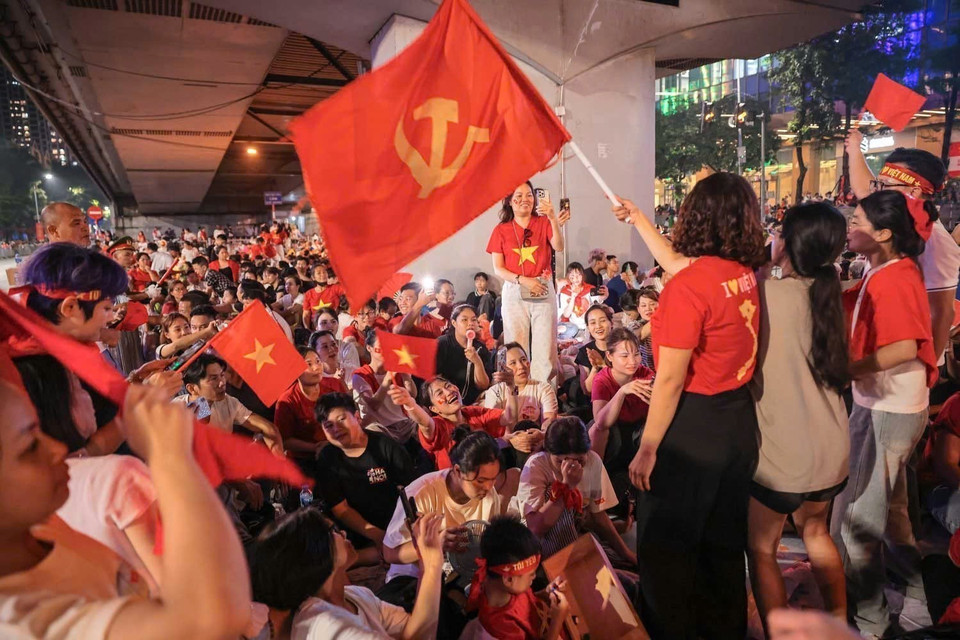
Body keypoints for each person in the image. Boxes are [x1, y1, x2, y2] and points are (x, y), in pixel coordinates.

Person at [614, 172, 766, 640]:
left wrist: (648, 447)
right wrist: (638, 219)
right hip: (736, 423)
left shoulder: (686, 290)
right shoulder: (740, 273)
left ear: (696, 216)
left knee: (666, 554)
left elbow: (671, 378)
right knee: (723, 547)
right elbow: (681, 264)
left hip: (692, 431)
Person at [0, 381, 253, 639]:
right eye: (31, 445)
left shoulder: (39, 529)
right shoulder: (22, 621)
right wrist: (169, 454)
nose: (57, 449)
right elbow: (211, 617)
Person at [831, 190, 938, 637]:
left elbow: (902, 347)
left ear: (885, 234)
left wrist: (849, 370)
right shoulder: (888, 268)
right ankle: (919, 598)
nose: (849, 226)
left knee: (855, 524)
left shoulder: (894, 278)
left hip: (885, 410)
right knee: (892, 513)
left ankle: (871, 622)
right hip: (894, 406)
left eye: (856, 221)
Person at [747, 202, 851, 631]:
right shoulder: (830, 294)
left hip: (780, 457)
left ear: (786, 242)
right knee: (816, 533)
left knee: (762, 547)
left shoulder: (767, 293)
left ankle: (779, 631)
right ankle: (841, 622)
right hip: (830, 448)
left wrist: (768, 262)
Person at [847, 133, 960, 366]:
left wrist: (927, 371)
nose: (877, 191)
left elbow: (943, 313)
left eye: (885, 185)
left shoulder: (936, 242)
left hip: (904, 370)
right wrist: (855, 150)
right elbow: (863, 190)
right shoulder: (897, 221)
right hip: (875, 358)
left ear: (914, 191)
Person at [251, 508, 445, 640]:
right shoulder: (321, 624)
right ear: (314, 552)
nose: (343, 533)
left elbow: (418, 632)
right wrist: (431, 564)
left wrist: (428, 564)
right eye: (332, 530)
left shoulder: (358, 596)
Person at [382, 430, 502, 590]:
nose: (488, 487)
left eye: (493, 479)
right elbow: (390, 553)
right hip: (413, 576)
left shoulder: (488, 495)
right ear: (458, 471)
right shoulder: (421, 493)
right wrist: (435, 543)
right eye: (480, 480)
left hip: (459, 575)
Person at [518, 417, 636, 565]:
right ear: (549, 452)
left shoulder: (593, 461)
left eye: (579, 460)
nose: (571, 467)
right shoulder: (537, 465)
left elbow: (599, 515)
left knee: (622, 570)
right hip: (537, 545)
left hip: (575, 534)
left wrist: (626, 553)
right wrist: (566, 486)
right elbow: (535, 528)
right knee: (555, 494)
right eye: (562, 461)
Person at [315, 393, 416, 565]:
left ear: (357, 417)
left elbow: (411, 493)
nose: (336, 429)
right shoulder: (327, 458)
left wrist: (393, 534)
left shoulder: (386, 447)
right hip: (357, 534)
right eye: (328, 426)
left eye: (341, 419)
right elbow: (341, 509)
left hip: (397, 528)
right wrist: (376, 535)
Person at [487, 182, 567, 384]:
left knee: (546, 345)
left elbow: (558, 246)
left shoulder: (543, 222)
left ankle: (546, 395)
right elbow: (498, 268)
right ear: (510, 202)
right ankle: (519, 393)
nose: (525, 199)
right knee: (516, 344)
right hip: (514, 288)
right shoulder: (501, 230)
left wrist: (552, 218)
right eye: (519, 196)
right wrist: (523, 280)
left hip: (542, 285)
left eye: (529, 195)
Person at [469, 515, 569, 640]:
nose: (534, 576)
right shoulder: (501, 628)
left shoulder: (504, 584)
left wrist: (546, 593)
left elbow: (524, 602)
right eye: (531, 574)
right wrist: (557, 620)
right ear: (509, 579)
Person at [388, 377, 515, 470]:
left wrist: (511, 387)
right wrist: (410, 404)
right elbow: (426, 424)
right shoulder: (438, 425)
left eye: (448, 386)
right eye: (439, 393)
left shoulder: (472, 412)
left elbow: (508, 417)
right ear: (434, 409)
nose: (449, 392)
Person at [174, 354, 283, 452]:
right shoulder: (174, 410)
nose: (222, 383)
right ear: (192, 388)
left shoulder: (229, 402)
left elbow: (268, 428)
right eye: (213, 378)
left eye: (222, 375)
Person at [590, 328, 654, 478]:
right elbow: (601, 422)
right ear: (609, 356)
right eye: (624, 356)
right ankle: (595, 481)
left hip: (638, 431)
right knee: (597, 430)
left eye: (636, 354)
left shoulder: (645, 374)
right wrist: (622, 392)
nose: (632, 361)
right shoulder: (602, 380)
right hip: (613, 433)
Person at [352, 330, 420, 445]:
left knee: (424, 423)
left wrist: (406, 376)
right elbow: (374, 405)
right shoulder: (360, 375)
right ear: (369, 348)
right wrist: (388, 378)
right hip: (381, 427)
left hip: (404, 422)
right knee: (373, 431)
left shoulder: (397, 365)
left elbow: (413, 395)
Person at [274, 346, 329, 475]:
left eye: (318, 361)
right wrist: (315, 447)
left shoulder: (335, 385)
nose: (316, 367)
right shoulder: (287, 401)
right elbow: (284, 440)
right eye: (308, 364)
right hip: (304, 460)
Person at [484, 342, 558, 429]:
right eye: (513, 363)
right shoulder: (494, 392)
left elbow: (549, 420)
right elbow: (494, 426)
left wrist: (541, 433)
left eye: (523, 359)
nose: (521, 366)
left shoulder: (543, 388)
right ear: (502, 367)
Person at [435, 304, 492, 405]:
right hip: (448, 402)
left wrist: (477, 361)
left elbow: (483, 385)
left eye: (474, 320)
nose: (470, 324)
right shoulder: (442, 344)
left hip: (474, 403)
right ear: (454, 323)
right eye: (464, 320)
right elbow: (434, 380)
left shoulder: (481, 348)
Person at [557, 262, 606, 338]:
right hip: (572, 326)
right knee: (572, 329)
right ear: (568, 277)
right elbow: (566, 315)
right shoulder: (565, 292)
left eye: (578, 275)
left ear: (582, 275)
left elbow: (598, 301)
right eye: (572, 276)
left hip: (588, 325)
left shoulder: (590, 289)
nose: (575, 279)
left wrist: (604, 296)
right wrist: (573, 296)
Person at [574, 305, 614, 396]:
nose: (598, 326)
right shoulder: (585, 352)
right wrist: (595, 368)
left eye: (602, 321)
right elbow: (587, 391)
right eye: (592, 323)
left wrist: (603, 365)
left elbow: (624, 381)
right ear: (588, 327)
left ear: (611, 323)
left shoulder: (621, 347)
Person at [302, 264, 345, 330]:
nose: (323, 274)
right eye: (319, 273)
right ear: (313, 277)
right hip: (317, 328)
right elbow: (306, 315)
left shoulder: (335, 288)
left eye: (324, 272)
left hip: (335, 326)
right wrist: (307, 330)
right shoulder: (309, 294)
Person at [309, 330, 350, 395]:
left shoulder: (351, 370)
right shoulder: (315, 378)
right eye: (325, 346)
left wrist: (342, 383)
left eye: (333, 344)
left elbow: (353, 402)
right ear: (315, 352)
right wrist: (334, 382)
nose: (331, 349)